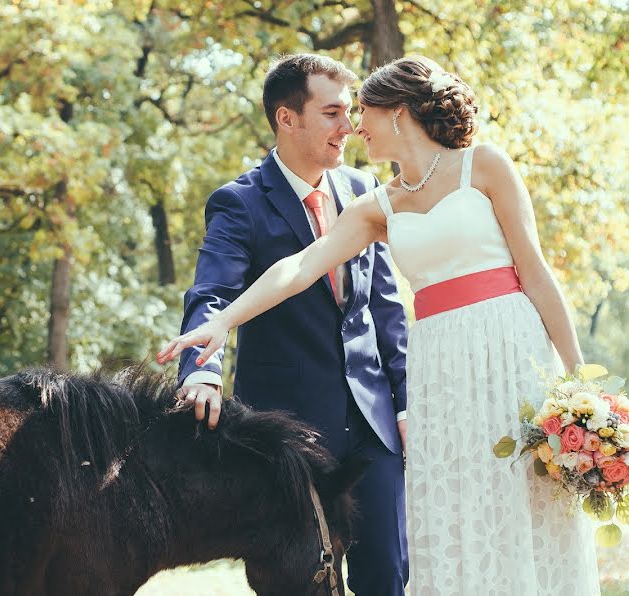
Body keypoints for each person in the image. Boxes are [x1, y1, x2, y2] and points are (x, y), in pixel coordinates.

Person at [159, 55, 602, 595]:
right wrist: (222, 322)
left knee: (522, 498)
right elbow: (300, 267)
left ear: (397, 112)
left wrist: (579, 378)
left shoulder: (484, 165)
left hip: (507, 345)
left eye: (360, 111)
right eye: (339, 113)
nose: (353, 126)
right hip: (439, 362)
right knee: (454, 517)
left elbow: (534, 271)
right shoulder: (378, 206)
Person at [169, 54, 409, 595]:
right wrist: (201, 372)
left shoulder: (364, 190)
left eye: (349, 113)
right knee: (298, 585)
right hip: (290, 437)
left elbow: (387, 309)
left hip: (375, 426)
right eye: (332, 113)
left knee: (388, 576)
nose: (349, 127)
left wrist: (407, 401)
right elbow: (213, 293)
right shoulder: (240, 202)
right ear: (287, 118)